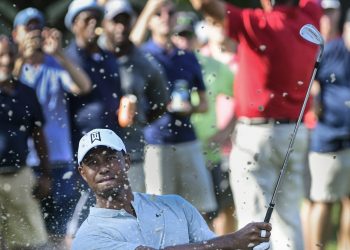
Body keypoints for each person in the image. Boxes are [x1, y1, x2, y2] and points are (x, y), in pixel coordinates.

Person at [190, 0, 321, 249]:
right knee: (289, 218)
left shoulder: (259, 22)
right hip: (296, 130)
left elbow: (206, 4)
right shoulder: (309, 15)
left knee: (254, 221)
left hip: (259, 134)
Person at [72, 128, 272, 249]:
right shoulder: (88, 238)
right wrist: (234, 240)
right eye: (93, 163)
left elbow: (215, 247)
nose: (104, 168)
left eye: (110, 158)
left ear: (126, 161)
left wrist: (249, 244)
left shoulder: (175, 205)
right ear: (83, 172)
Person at [11, 7, 91, 247]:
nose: (34, 33)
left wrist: (59, 55)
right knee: (27, 231)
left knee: (59, 231)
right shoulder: (12, 67)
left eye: (38, 26)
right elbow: (8, 94)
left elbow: (84, 86)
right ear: (16, 34)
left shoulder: (54, 64)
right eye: (28, 27)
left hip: (60, 159)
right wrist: (21, 58)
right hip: (26, 163)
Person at [130, 0, 217, 216]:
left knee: (199, 210)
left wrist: (190, 109)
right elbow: (128, 46)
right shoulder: (142, 54)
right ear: (149, 21)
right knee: (158, 213)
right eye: (159, 14)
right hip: (155, 142)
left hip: (188, 140)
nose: (165, 17)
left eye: (170, 12)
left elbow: (204, 104)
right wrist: (151, 6)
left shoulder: (187, 56)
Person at [170, 11, 237, 235]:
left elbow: (241, 98)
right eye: (178, 36)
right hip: (173, 150)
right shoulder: (164, 63)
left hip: (208, 153)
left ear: (196, 38)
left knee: (209, 216)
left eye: (187, 36)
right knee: (174, 217)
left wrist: (224, 132)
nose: (183, 41)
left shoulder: (214, 65)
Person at [100, 0, 168, 192]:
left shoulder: (144, 62)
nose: (121, 27)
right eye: (115, 21)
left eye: (125, 21)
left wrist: (140, 117)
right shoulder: (93, 56)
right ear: (105, 23)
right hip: (95, 153)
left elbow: (161, 103)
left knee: (130, 214)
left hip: (130, 153)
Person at [0, 35, 50, 249]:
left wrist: (46, 174)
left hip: (20, 175)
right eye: (0, 55)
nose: (6, 60)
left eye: (10, 54)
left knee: (31, 242)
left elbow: (39, 136)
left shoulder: (26, 93)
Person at [308, 7, 350, 250]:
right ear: (345, 28)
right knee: (323, 200)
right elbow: (311, 81)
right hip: (328, 138)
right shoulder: (330, 50)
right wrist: (316, 102)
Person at [64, 0, 123, 158]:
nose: (93, 23)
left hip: (113, 139)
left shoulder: (109, 57)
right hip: (83, 145)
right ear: (75, 24)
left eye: (96, 19)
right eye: (87, 19)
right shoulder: (67, 59)